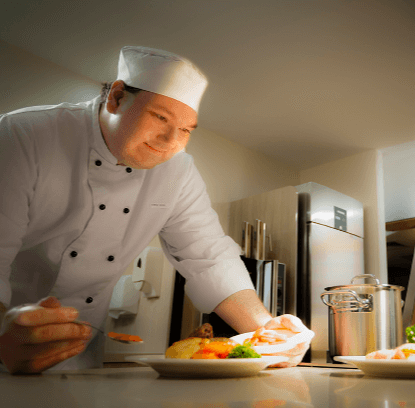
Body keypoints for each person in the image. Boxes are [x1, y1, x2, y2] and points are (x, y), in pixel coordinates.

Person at [0, 46, 310, 374]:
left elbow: (210, 257)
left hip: (82, 365)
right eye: (160, 117)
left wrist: (270, 331)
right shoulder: (24, 135)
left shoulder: (179, 171)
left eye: (186, 130)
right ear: (117, 97)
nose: (170, 140)